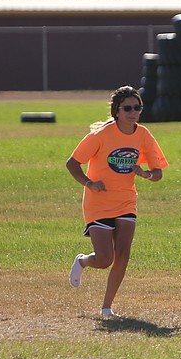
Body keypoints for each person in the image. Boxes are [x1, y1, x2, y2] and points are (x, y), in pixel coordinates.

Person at [65, 86, 168, 318]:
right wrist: (89, 183)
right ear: (117, 111)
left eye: (137, 108)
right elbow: (72, 163)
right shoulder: (100, 135)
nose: (133, 112)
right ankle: (82, 261)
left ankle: (107, 308)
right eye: (128, 108)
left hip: (126, 202)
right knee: (104, 259)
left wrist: (145, 175)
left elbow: (158, 173)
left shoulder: (143, 135)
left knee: (123, 254)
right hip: (99, 203)